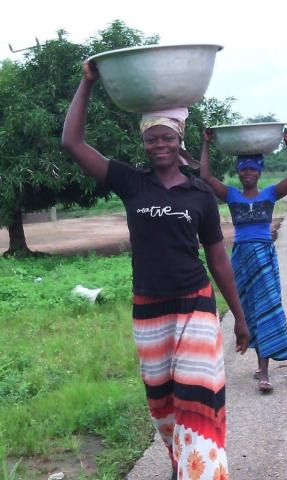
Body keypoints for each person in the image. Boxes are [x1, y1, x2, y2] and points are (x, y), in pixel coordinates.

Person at [62, 60, 250, 480]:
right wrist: (86, 82)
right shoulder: (132, 183)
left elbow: (218, 258)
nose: (159, 145)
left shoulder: (200, 194)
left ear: (178, 139)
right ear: (144, 143)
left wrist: (239, 316)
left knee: (198, 395)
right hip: (149, 310)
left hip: (196, 304)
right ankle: (181, 464)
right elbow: (72, 143)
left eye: (166, 137)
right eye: (151, 139)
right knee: (163, 404)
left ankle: (201, 472)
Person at [200, 126, 287, 393]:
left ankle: (265, 372)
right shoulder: (231, 196)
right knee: (247, 310)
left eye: (252, 169)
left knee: (266, 308)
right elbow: (206, 176)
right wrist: (206, 144)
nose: (248, 173)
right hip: (242, 258)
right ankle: (260, 364)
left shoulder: (269, 194)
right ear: (238, 172)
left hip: (264, 257)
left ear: (259, 172)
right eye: (243, 169)